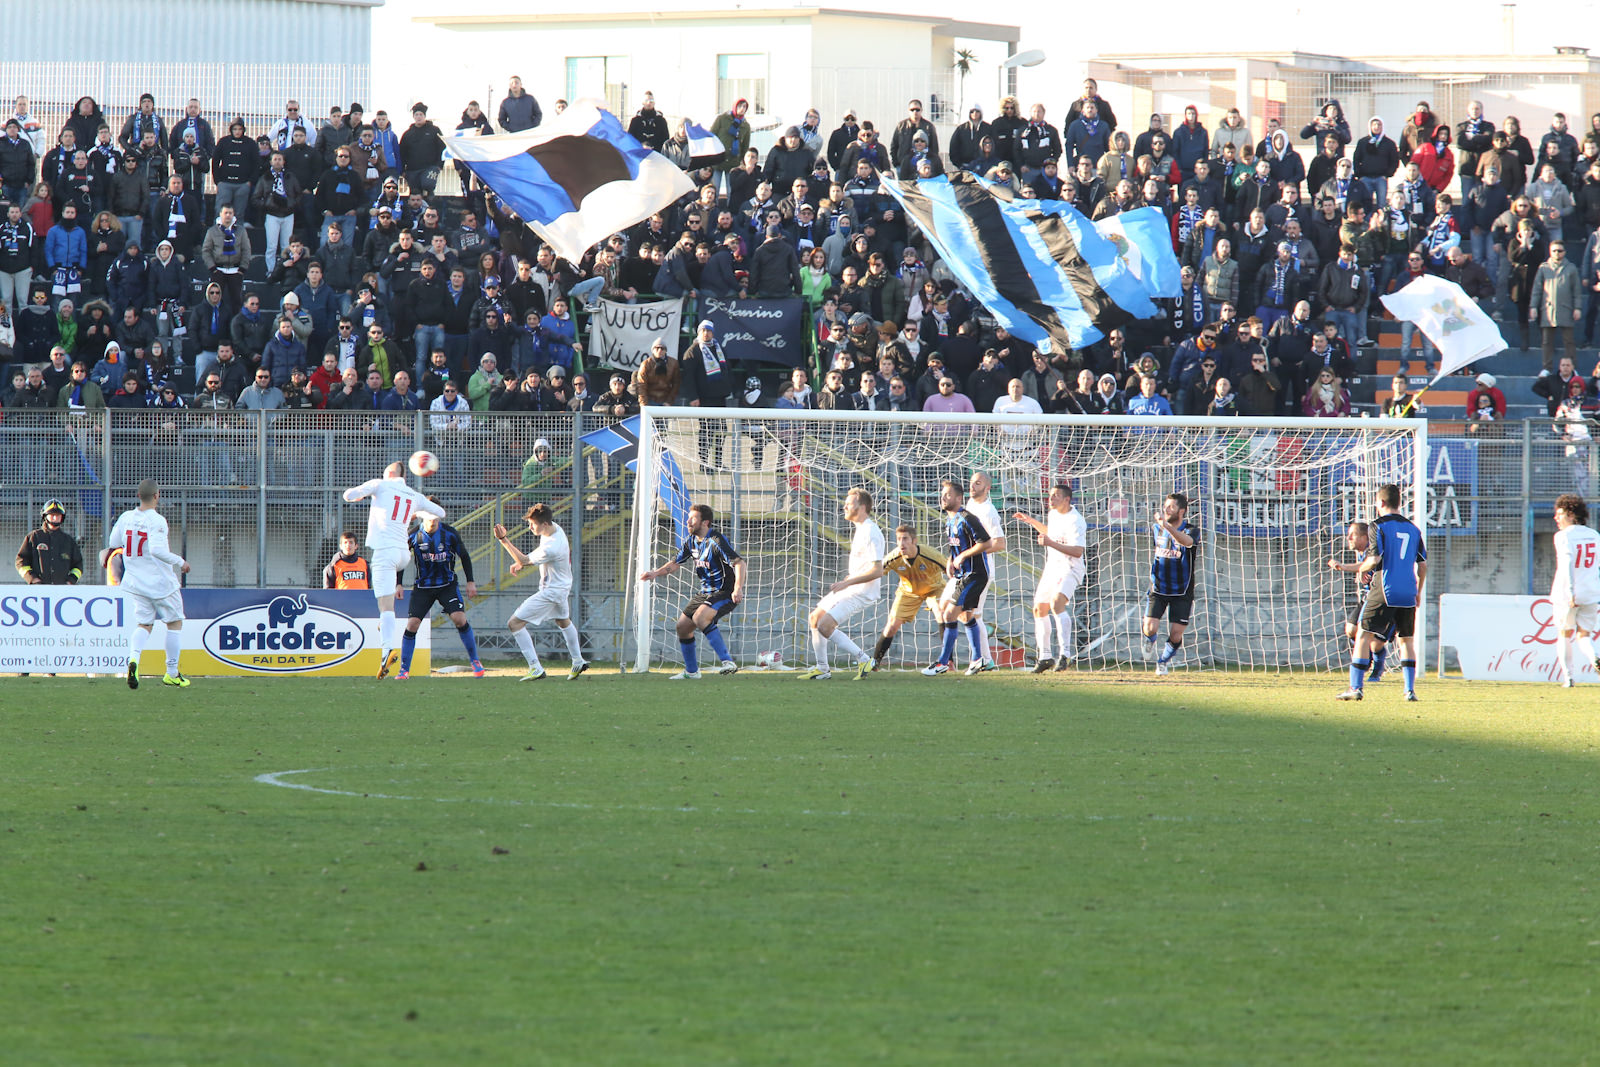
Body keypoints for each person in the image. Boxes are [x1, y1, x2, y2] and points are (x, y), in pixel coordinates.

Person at [341, 461, 446, 679]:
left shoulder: (379, 485)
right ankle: (385, 628)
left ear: (389, 473)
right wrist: (418, 512)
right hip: (403, 554)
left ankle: (386, 651)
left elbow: (348, 495)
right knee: (385, 608)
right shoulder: (413, 495)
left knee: (385, 606)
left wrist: (359, 495)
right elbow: (440, 512)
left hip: (385, 553)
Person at [1338, 484, 1427, 702]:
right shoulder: (1414, 529)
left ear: (1381, 502)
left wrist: (1358, 568)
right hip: (1408, 591)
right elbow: (1423, 565)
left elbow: (1374, 559)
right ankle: (1409, 691)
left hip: (1385, 589)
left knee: (1362, 635)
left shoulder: (1377, 526)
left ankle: (1355, 688)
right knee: (1406, 641)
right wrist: (1418, 592)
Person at [639, 503, 746, 680]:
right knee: (682, 627)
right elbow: (675, 563)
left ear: (705, 522)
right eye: (688, 518)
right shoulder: (691, 541)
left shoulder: (716, 540)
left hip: (724, 592)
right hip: (705, 592)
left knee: (700, 617)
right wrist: (655, 573)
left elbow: (740, 563)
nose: (688, 521)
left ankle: (728, 661)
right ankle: (692, 672)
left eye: (693, 518)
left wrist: (738, 588)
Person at [104, 478, 191, 689]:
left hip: (135, 582)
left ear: (138, 496)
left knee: (144, 624)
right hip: (160, 582)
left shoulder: (126, 517)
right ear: (156, 496)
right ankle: (172, 673)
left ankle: (134, 660)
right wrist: (180, 562)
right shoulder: (157, 520)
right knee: (174, 623)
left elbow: (113, 543)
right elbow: (156, 550)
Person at [492, 503, 587, 681]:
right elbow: (526, 560)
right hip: (562, 587)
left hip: (551, 591)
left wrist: (503, 539)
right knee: (563, 621)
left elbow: (524, 560)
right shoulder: (554, 528)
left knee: (514, 623)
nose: (530, 527)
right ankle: (578, 660)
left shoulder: (552, 547)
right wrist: (520, 562)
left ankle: (535, 667)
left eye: (532, 524)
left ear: (544, 524)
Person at [799, 488, 884, 681]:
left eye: (849, 503)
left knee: (825, 626)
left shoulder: (871, 531)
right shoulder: (861, 529)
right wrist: (850, 578)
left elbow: (878, 570)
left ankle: (864, 659)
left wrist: (849, 582)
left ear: (862, 507)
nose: (844, 507)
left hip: (862, 592)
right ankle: (822, 668)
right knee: (815, 618)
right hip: (852, 587)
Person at [399, 507, 483, 680]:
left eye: (436, 516)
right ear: (423, 516)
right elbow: (402, 559)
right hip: (423, 587)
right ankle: (404, 670)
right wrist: (398, 584)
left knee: (459, 618)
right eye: (429, 516)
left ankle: (475, 661)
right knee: (412, 624)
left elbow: (464, 556)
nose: (433, 519)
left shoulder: (450, 533)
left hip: (447, 585)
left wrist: (470, 581)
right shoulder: (413, 535)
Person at [1014, 483, 1087, 673]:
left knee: (1056, 604)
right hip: (1052, 567)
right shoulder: (1053, 514)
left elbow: (1077, 551)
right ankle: (1045, 657)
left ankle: (1065, 655)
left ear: (1067, 499)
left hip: (1070, 568)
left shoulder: (1076, 520)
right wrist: (1031, 521)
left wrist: (1050, 543)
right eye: (1050, 495)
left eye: (1056, 496)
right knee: (1039, 609)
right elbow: (1051, 533)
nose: (1051, 499)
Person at [922, 479, 992, 676]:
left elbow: (986, 543)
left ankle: (943, 662)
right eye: (942, 495)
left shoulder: (968, 518)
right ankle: (977, 659)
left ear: (959, 498)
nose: (943, 498)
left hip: (975, 574)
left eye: (948, 495)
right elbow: (957, 546)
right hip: (963, 575)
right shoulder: (949, 520)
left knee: (948, 615)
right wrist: (950, 560)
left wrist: (963, 556)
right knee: (965, 616)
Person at [871, 523, 949, 671]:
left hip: (934, 588)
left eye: (905, 539)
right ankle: (874, 663)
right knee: (892, 625)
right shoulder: (894, 557)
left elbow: (950, 570)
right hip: (908, 592)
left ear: (914, 540)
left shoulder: (931, 555)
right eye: (899, 539)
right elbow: (876, 571)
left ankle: (948, 662)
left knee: (941, 613)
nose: (901, 543)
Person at [1328, 521, 1393, 687]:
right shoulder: (1361, 553)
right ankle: (1365, 661)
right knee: (1351, 630)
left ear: (1365, 537)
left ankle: (1376, 668)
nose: (1348, 538)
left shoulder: (1374, 551)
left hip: (1384, 600)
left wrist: (1344, 567)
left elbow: (1369, 563)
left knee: (1376, 643)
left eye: (1353, 535)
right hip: (1367, 599)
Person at [1142, 492, 1197, 677]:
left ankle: (1163, 662)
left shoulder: (1191, 530)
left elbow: (1187, 542)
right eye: (1165, 506)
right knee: (1149, 628)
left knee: (1176, 634)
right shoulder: (1156, 528)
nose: (1166, 509)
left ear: (1181, 511)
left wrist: (1166, 526)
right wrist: (1163, 526)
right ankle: (1149, 640)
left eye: (1171, 507)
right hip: (1159, 587)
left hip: (1182, 590)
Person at [1550, 493, 1600, 687]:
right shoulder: (1594, 535)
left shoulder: (1563, 536)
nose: (1556, 518)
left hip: (1567, 594)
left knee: (1564, 633)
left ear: (1571, 515)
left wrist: (1570, 592)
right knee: (1584, 635)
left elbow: (1567, 562)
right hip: (1590, 593)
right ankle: (1594, 657)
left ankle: (1568, 677)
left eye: (1560, 514)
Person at [962, 471, 1008, 671]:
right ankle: (985, 660)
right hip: (968, 567)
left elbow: (1000, 543)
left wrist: (972, 552)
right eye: (972, 482)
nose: (972, 486)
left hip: (981, 569)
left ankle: (982, 659)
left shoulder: (989, 511)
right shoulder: (970, 505)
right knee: (968, 614)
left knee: (969, 614)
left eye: (978, 483)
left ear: (987, 488)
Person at [16, 498, 84, 588]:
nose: (55, 518)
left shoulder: (68, 541)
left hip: (62, 591)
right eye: (52, 515)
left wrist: (70, 581)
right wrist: (32, 578)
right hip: (37, 589)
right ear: (45, 516)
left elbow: (78, 565)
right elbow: (21, 562)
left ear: (62, 517)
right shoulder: (33, 537)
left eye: (58, 515)